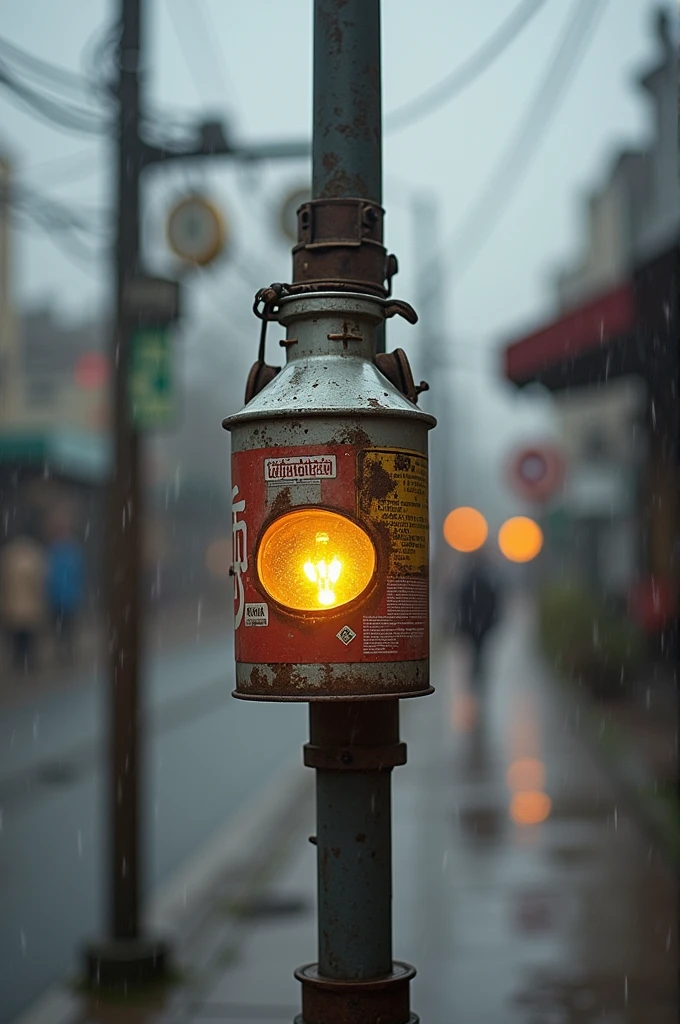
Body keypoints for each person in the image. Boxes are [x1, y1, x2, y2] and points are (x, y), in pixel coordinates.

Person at [0, 532, 47, 673]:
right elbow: (39, 581)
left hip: (13, 604)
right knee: (27, 635)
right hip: (28, 604)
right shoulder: (33, 556)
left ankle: (20, 660)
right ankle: (27, 660)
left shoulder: (8, 555)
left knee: (17, 635)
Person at [453, 551, 501, 683]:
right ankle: (479, 671)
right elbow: (494, 601)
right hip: (483, 622)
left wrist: (460, 622)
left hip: (471, 622)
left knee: (474, 648)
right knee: (480, 647)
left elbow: (460, 602)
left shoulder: (467, 579)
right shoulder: (488, 580)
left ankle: (475, 671)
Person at [46, 524, 84, 666]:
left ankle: (67, 651)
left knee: (67, 627)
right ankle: (65, 651)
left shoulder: (68, 551)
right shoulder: (57, 550)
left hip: (66, 596)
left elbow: (77, 574)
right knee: (62, 627)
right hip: (59, 596)